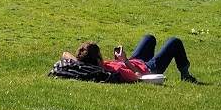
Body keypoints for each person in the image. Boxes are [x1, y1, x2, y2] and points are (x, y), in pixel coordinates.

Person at [60, 36, 198, 83]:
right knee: (174, 42)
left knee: (149, 38)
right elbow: (139, 77)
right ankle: (185, 74)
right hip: (148, 68)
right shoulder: (115, 74)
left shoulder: (96, 68)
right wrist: (125, 61)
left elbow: (65, 54)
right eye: (100, 56)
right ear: (97, 61)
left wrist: (118, 59)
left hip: (134, 61)